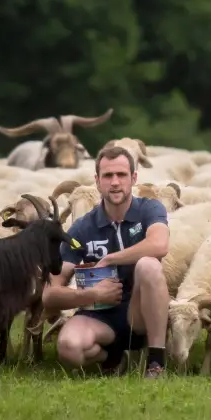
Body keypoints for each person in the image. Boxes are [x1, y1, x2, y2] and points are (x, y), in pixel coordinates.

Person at [41, 143, 172, 378]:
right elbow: (50, 294)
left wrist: (110, 258)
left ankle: (156, 361)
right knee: (68, 348)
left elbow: (160, 245)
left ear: (133, 178)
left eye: (121, 175)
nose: (114, 182)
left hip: (140, 312)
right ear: (97, 180)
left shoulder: (149, 209)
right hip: (99, 314)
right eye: (108, 175)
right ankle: (111, 358)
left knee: (149, 264)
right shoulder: (82, 228)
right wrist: (92, 295)